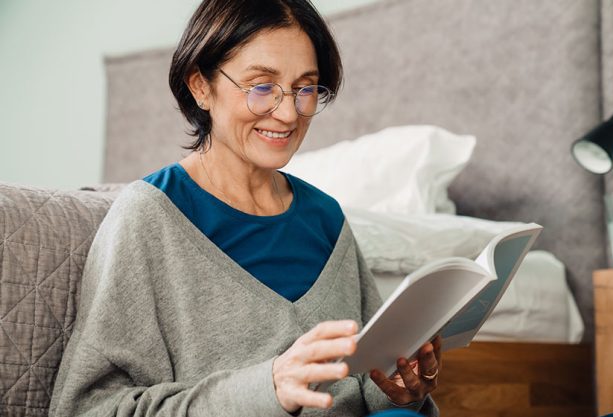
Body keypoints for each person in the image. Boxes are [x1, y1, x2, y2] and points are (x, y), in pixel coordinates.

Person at [49, 1, 441, 416]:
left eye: (305, 88)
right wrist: (267, 388)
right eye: (262, 87)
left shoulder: (327, 219)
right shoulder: (149, 216)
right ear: (201, 86)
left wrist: (399, 387)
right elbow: (86, 408)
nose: (289, 113)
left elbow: (362, 381)